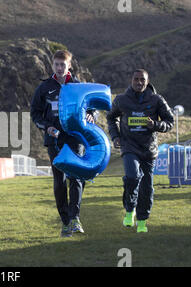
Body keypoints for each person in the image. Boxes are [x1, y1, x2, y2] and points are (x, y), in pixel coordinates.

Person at [30, 50, 95, 238]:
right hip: (54, 139)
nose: (59, 68)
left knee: (76, 177)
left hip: (75, 138)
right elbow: (35, 113)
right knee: (60, 181)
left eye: (63, 65)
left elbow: (92, 108)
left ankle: (75, 218)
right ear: (52, 65)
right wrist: (46, 127)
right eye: (56, 64)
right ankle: (65, 221)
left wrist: (91, 115)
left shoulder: (77, 86)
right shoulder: (44, 88)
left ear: (69, 66)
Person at [106, 69, 174, 233]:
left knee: (147, 187)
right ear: (131, 80)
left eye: (142, 80)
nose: (139, 82)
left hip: (149, 149)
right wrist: (115, 136)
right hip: (129, 146)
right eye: (136, 79)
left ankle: (142, 222)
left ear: (147, 81)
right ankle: (130, 210)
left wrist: (156, 125)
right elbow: (110, 117)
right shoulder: (121, 100)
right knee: (132, 176)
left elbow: (170, 121)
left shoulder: (157, 99)